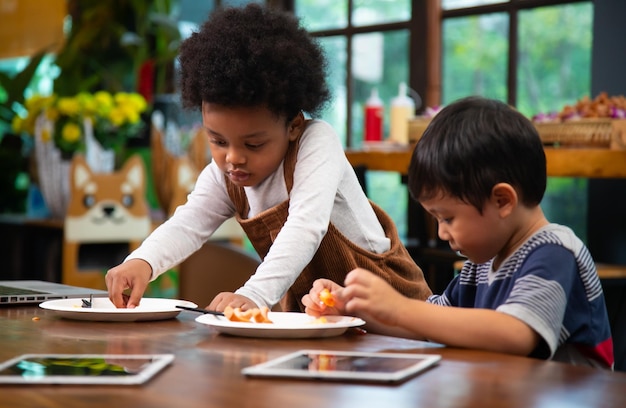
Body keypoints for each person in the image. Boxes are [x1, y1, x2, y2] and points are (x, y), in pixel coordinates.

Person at [105, 4, 432, 312]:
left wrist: (254, 294)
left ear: (293, 126)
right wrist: (143, 261)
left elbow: (306, 226)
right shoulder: (224, 175)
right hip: (321, 312)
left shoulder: (315, 142)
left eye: (254, 144)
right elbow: (188, 224)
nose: (233, 158)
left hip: (394, 306)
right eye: (217, 141)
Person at [303, 96, 614, 369]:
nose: (441, 233)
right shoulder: (480, 267)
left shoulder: (555, 252)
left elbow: (516, 334)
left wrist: (399, 308)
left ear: (502, 200)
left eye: (448, 217)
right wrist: (354, 309)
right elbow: (429, 324)